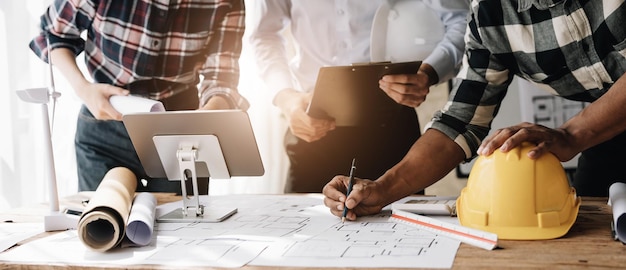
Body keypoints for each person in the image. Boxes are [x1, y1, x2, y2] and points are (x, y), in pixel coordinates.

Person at [323, 0, 626, 220]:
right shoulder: (489, 17)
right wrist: (382, 188)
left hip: (598, 126)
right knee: (590, 221)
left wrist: (572, 134)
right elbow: (459, 121)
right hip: (611, 132)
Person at [249, 0, 469, 193]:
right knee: (302, 233)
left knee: (400, 233)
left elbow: (463, 20)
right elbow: (264, 35)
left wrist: (428, 73)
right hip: (311, 124)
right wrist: (286, 99)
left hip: (392, 127)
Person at [29, 0, 248, 192]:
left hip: (179, 130)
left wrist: (207, 117)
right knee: (103, 224)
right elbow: (53, 34)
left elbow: (221, 77)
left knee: (181, 229)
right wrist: (83, 88)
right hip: (105, 123)